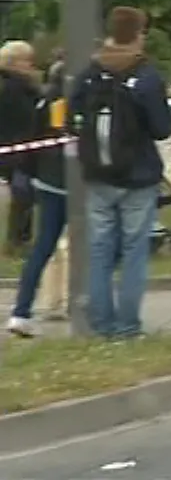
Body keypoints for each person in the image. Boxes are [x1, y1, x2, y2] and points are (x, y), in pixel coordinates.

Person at [69, 5, 171, 339]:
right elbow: (161, 129)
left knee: (99, 252)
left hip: (99, 175)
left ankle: (101, 327)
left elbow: (72, 118)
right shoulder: (146, 77)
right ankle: (128, 328)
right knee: (133, 253)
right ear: (140, 34)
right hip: (138, 176)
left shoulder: (89, 73)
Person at [5, 45, 67, 337]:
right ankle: (95, 309)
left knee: (44, 244)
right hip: (72, 178)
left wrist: (29, 172)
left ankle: (22, 310)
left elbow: (35, 135)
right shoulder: (78, 94)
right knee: (100, 243)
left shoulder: (45, 97)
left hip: (46, 176)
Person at [0, 40, 40, 258]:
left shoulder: (18, 86)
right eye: (27, 60)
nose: (31, 65)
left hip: (18, 149)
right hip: (18, 150)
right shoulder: (15, 88)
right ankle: (17, 241)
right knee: (23, 194)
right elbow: (22, 119)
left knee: (24, 196)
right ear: (14, 62)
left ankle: (19, 239)